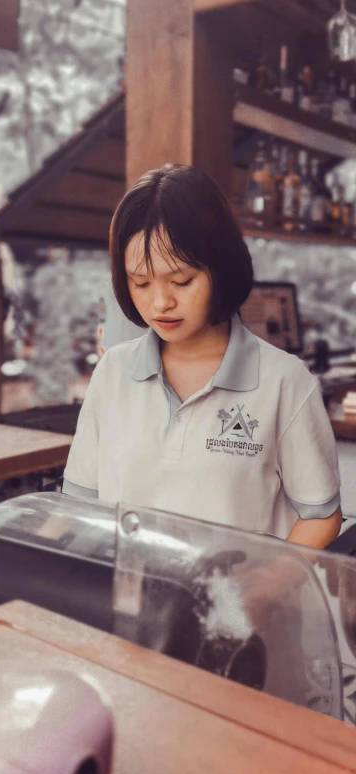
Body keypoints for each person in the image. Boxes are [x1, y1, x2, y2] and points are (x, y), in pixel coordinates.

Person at [62, 163, 342, 549]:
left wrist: (266, 588)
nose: (161, 302)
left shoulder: (285, 381)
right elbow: (80, 505)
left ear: (222, 267)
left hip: (235, 605)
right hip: (131, 601)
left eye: (182, 281)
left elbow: (321, 516)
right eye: (140, 283)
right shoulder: (113, 372)